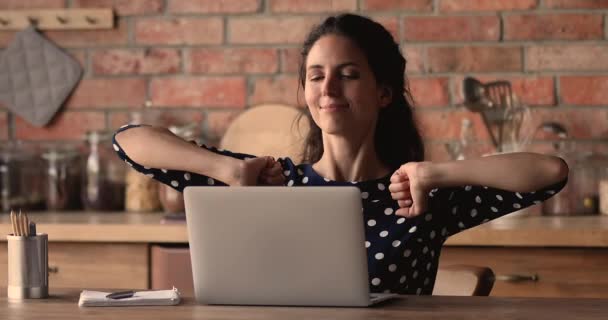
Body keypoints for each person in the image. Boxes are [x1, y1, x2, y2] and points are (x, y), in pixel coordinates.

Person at [113, 13, 568, 295]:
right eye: (315, 76)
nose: (328, 89)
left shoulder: (419, 194)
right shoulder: (268, 182)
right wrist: (226, 169)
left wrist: (437, 173)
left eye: (347, 75)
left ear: (384, 92)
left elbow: (550, 172)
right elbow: (129, 141)